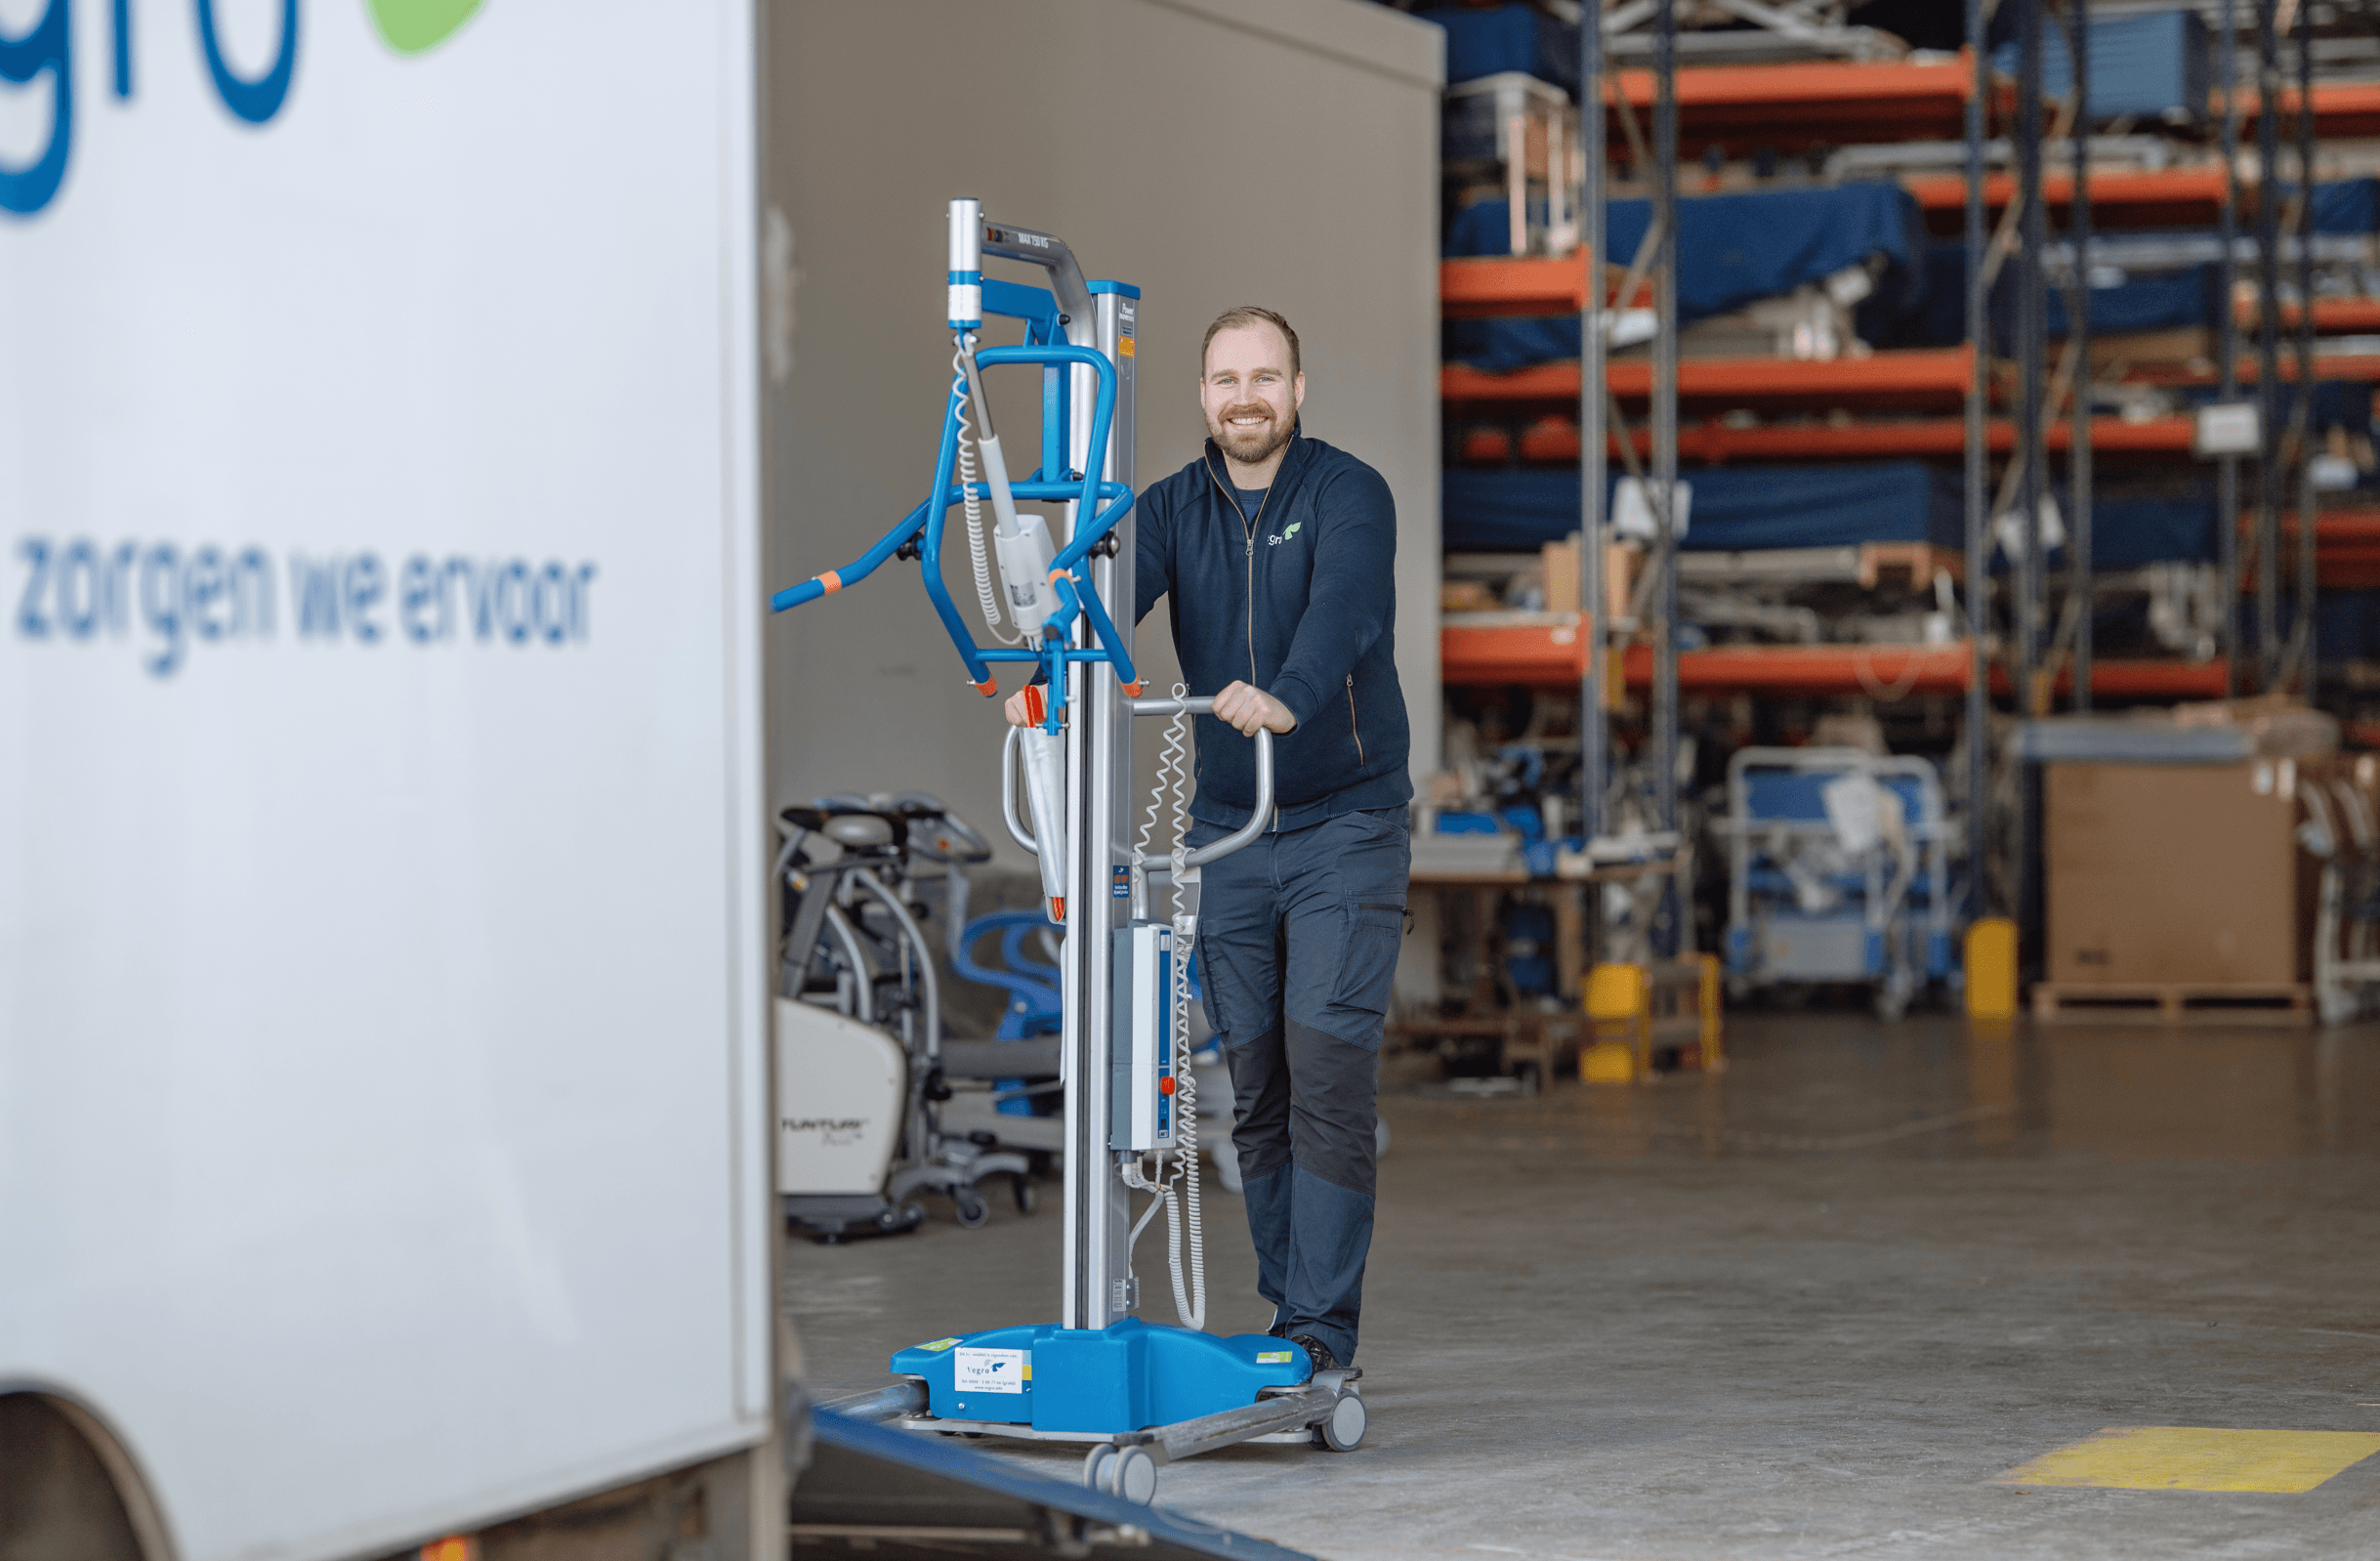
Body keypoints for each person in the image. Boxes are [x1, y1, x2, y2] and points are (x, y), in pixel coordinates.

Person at [1005, 306, 1409, 1372]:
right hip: (1225, 833)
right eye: (1226, 379)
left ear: (1298, 387)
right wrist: (1044, 674)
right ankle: (1293, 1312)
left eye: (1265, 377)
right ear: (1201, 395)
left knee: (1325, 1058)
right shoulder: (1169, 510)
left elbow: (1348, 612)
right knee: (1261, 1083)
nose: (1245, 397)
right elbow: (1102, 610)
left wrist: (1286, 694)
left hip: (1343, 823)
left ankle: (1323, 1330)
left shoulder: (1348, 492)